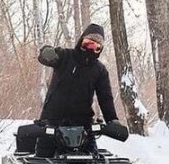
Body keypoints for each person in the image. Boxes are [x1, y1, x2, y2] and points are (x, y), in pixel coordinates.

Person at [20, 23, 118, 156]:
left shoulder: (100, 70)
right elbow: (47, 57)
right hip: (51, 121)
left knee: (92, 163)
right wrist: (47, 52)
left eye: (95, 46)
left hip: (83, 126)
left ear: (100, 49)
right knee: (43, 163)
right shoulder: (65, 56)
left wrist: (112, 120)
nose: (90, 48)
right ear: (81, 41)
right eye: (88, 43)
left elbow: (105, 98)